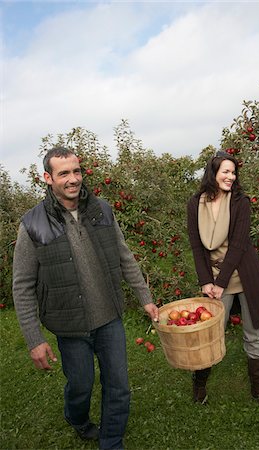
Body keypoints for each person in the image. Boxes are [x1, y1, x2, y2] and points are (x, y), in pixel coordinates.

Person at [13, 146, 159, 449]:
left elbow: (124, 257)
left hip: (109, 318)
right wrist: (33, 338)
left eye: (76, 171)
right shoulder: (33, 225)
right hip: (70, 325)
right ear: (48, 178)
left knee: (118, 386)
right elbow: (23, 285)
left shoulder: (102, 210)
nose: (73, 179)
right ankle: (77, 418)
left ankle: (111, 441)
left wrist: (145, 297)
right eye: (64, 173)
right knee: (81, 385)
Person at [187, 151, 259, 415]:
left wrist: (221, 282)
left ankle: (258, 388)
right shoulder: (195, 203)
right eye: (225, 171)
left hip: (243, 275)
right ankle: (200, 385)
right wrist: (206, 281)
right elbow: (196, 245)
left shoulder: (240, 201)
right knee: (209, 334)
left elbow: (238, 246)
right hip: (214, 280)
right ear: (212, 172)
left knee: (253, 333)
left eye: (233, 172)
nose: (231, 176)